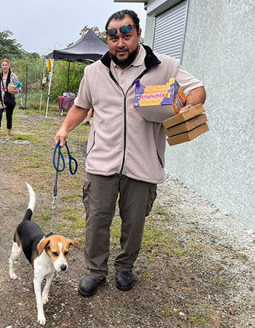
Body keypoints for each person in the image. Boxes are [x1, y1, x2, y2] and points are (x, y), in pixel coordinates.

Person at [53, 9, 206, 296]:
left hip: (144, 162)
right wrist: (64, 129)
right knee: (97, 220)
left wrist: (188, 106)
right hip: (102, 162)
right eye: (113, 37)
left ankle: (125, 267)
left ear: (137, 34)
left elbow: (197, 89)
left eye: (126, 35)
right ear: (107, 39)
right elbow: (81, 106)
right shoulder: (93, 71)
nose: (119, 43)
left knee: (134, 222)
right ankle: (95, 270)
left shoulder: (165, 66)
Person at [0, 58, 20, 142]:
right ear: (1, 67)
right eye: (3, 65)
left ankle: (8, 135)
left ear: (9, 66)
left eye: (6, 65)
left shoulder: (13, 76)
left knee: (9, 117)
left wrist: (16, 90)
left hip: (9, 100)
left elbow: (19, 86)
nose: (4, 66)